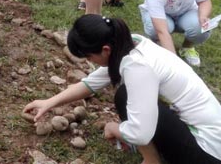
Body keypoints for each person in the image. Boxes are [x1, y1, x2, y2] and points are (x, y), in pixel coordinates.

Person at [23, 15, 221, 164]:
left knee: (124, 96)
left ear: (105, 50)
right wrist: (49, 102)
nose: (90, 61)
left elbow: (140, 134)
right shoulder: (130, 43)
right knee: (128, 97)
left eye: (89, 57)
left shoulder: (137, 67)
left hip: (207, 152)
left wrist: (114, 129)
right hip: (210, 137)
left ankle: (151, 160)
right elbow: (90, 84)